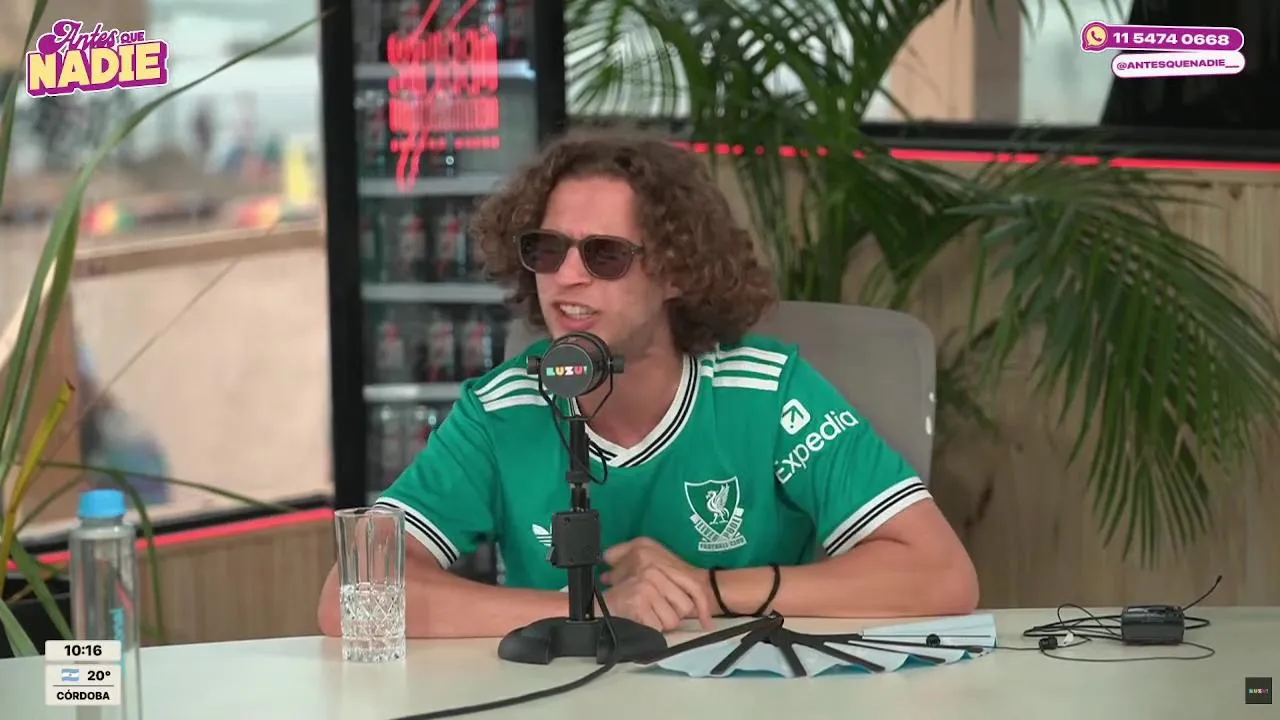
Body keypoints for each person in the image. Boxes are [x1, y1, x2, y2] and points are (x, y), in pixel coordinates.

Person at [317, 132, 979, 639]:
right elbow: (352, 596)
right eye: (547, 249)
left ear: (676, 273)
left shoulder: (769, 391)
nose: (567, 277)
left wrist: (704, 589)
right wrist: (588, 612)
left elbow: (942, 574)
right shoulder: (501, 410)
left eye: (604, 254)